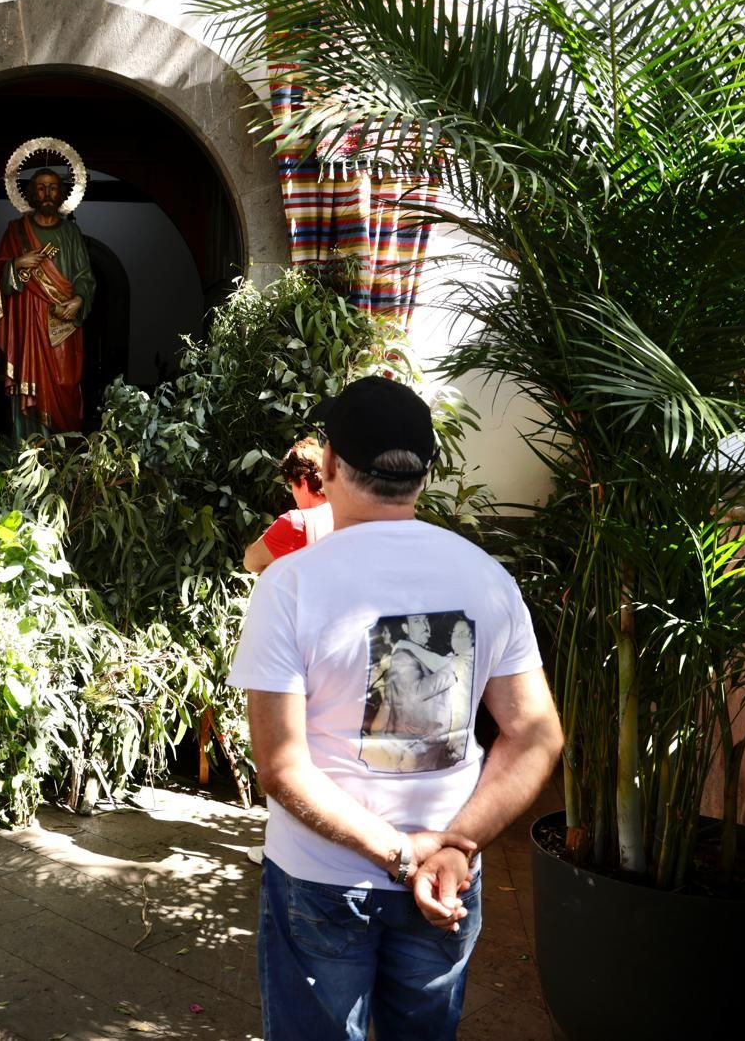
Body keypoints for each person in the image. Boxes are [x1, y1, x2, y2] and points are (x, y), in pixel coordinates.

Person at [228, 375, 564, 1041]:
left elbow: (280, 767)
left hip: (324, 877)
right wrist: (452, 846)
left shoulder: (290, 585)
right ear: (425, 473)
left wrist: (400, 854)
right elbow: (535, 734)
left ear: (327, 466)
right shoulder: (486, 577)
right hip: (446, 878)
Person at [242, 436, 334, 864]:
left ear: (300, 481)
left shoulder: (295, 523)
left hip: (297, 646)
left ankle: (284, 846)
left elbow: (252, 560)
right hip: (341, 647)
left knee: (285, 747)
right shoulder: (349, 518)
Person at [0, 167, 96, 436]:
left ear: (61, 193)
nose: (47, 193)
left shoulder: (71, 233)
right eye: (41, 187)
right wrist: (16, 264)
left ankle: (62, 457)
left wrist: (79, 299)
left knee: (64, 384)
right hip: (28, 325)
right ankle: (28, 451)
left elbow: (85, 275)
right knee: (30, 382)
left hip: (62, 325)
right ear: (31, 193)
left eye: (53, 187)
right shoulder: (15, 231)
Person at [243, 437, 332, 575]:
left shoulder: (297, 522)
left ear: (303, 482)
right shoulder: (347, 514)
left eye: (292, 486)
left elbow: (251, 562)